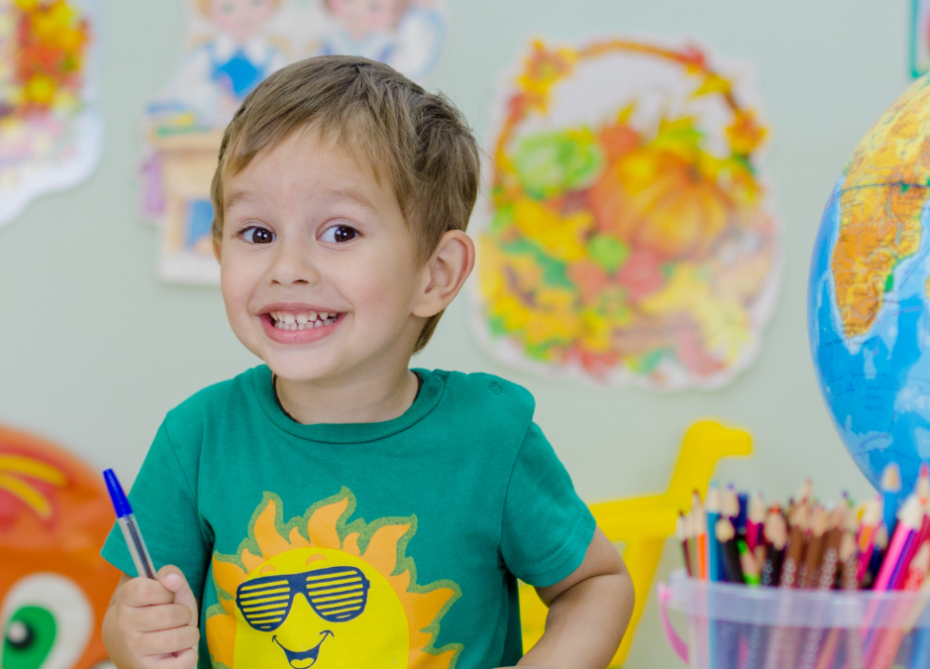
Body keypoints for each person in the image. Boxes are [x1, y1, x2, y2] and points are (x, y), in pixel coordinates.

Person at [102, 56, 634, 669]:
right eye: (256, 234)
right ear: (220, 249)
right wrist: (136, 639)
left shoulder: (493, 439)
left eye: (340, 233)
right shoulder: (196, 439)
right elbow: (129, 617)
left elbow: (596, 584)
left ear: (435, 275)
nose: (287, 267)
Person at [148, 0, 287, 130]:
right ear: (209, 10)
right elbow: (179, 96)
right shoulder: (205, 56)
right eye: (228, 8)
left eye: (255, 3)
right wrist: (213, 99)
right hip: (210, 140)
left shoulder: (274, 59)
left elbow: (286, 99)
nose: (244, 16)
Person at [322, 0, 445, 80]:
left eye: (374, 6)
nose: (357, 9)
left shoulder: (386, 49)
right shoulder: (330, 41)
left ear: (393, 16)